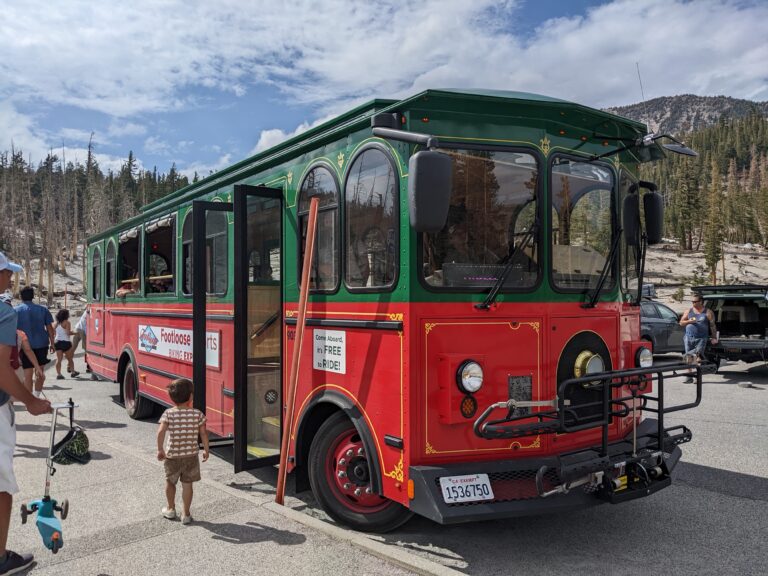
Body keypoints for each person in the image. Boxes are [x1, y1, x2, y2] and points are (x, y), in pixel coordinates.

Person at [0, 252, 51, 575]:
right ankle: (2, 558)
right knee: (1, 483)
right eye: (7, 273)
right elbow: (2, 371)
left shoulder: (13, 309)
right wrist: (30, 401)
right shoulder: (4, 313)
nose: (9, 279)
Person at [156, 378, 209, 525]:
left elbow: (161, 432)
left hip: (172, 456)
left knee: (170, 482)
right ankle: (185, 513)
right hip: (191, 456)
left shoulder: (168, 413)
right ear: (191, 396)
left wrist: (160, 449)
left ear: (172, 398)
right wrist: (206, 449)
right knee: (188, 484)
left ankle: (170, 509)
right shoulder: (197, 414)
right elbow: (204, 433)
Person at [14, 287, 55, 397]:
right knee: (40, 371)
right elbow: (50, 329)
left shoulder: (16, 311)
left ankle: (29, 399)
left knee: (28, 373)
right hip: (41, 344)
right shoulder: (43, 309)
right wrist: (53, 343)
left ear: (21, 297)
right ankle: (36, 396)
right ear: (33, 296)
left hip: (24, 346)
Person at [679, 293, 718, 383]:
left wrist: (714, 337)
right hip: (688, 337)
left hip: (701, 338)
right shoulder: (688, 311)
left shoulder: (708, 312)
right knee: (689, 357)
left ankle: (698, 376)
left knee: (698, 356)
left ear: (701, 302)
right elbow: (681, 323)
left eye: (695, 302)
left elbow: (712, 326)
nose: (693, 304)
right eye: (692, 302)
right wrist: (689, 321)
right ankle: (689, 376)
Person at [53, 309, 79, 381]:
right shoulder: (67, 322)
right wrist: (75, 333)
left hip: (57, 342)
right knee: (70, 358)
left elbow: (55, 334)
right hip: (66, 342)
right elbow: (68, 333)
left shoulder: (55, 323)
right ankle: (73, 372)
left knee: (59, 359)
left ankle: (59, 374)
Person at [70, 306, 91, 374]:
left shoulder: (88, 309)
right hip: (83, 330)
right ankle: (89, 366)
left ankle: (69, 366)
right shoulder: (90, 310)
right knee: (87, 350)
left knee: (73, 348)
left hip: (77, 327)